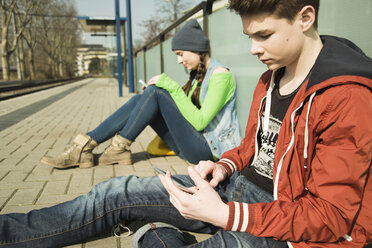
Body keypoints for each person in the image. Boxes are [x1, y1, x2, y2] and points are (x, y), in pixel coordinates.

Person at [0, 0, 371, 247]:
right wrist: (223, 165)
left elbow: (333, 215)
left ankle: (157, 235)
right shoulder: (271, 75)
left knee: (152, 233)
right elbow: (252, 149)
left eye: (263, 35)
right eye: (249, 37)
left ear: (305, 18)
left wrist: (225, 215)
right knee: (113, 194)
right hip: (234, 189)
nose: (254, 49)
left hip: (284, 224)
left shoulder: (347, 96)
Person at [40, 19, 241, 168]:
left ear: (196, 49)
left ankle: (110, 148)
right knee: (141, 98)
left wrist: (169, 87)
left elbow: (200, 122)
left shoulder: (220, 75)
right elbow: (183, 112)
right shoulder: (198, 75)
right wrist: (155, 96)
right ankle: (88, 147)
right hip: (189, 146)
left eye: (180, 54)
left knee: (156, 92)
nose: (179, 61)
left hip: (208, 152)